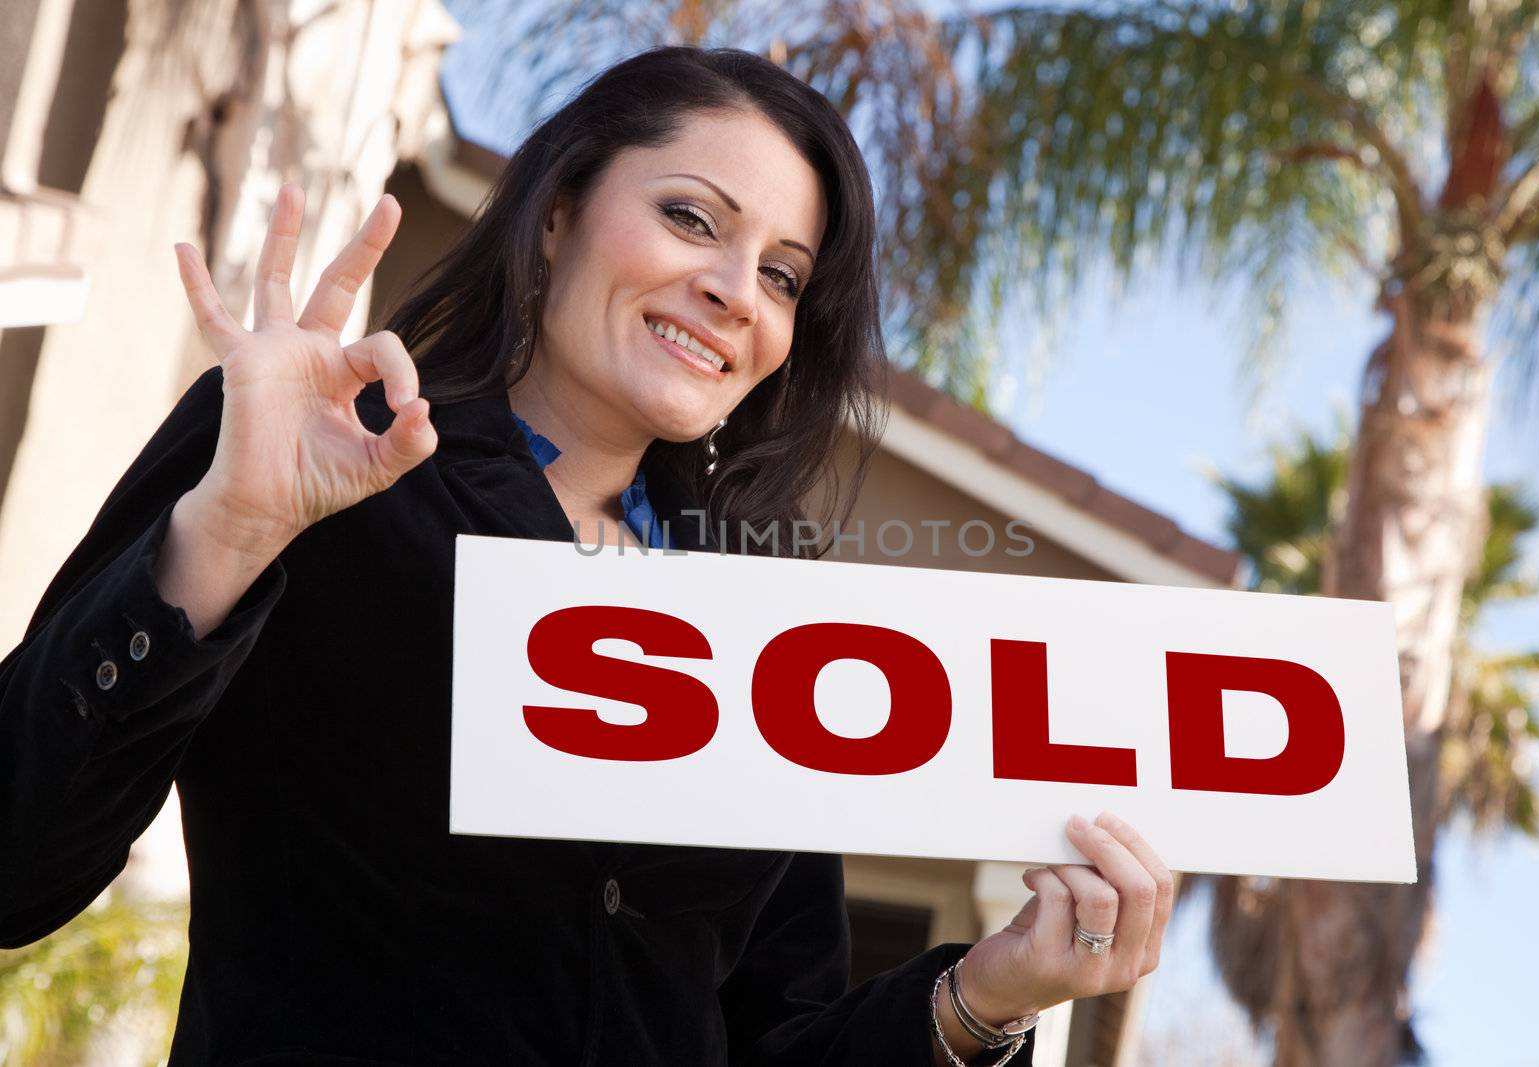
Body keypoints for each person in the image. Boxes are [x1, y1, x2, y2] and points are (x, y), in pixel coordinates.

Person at [0, 46, 1173, 1066]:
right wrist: (232, 532)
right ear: (556, 211)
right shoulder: (300, 459)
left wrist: (986, 997)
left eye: (780, 275)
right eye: (691, 217)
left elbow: (770, 1035)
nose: (730, 290)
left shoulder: (768, 614)